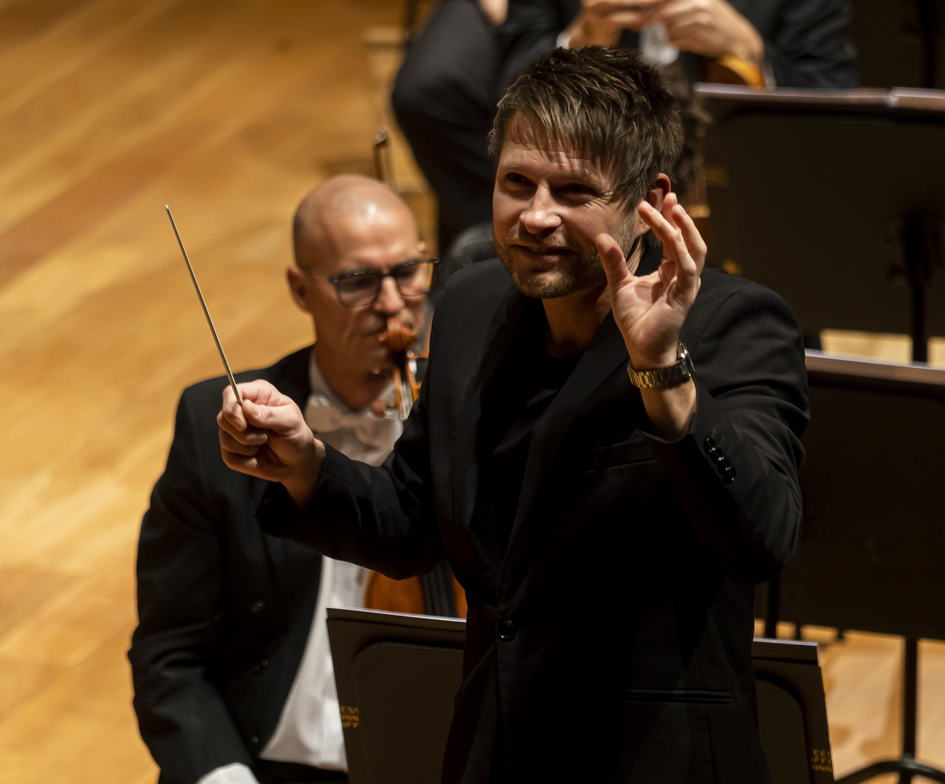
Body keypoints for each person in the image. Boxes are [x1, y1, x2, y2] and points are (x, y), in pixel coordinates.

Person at [218, 48, 808, 782]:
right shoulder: (470, 307)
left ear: (650, 201)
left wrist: (662, 369)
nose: (535, 216)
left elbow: (760, 539)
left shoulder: (733, 325)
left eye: (574, 190)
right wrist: (306, 463)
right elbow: (413, 519)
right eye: (517, 183)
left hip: (652, 759)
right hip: (495, 749)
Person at [129, 175, 437, 784]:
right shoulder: (220, 425)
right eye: (358, 281)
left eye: (408, 272)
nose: (391, 303)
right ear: (300, 289)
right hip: (261, 766)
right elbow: (170, 653)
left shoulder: (467, 419)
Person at [392, 0, 857, 255]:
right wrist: (577, 42)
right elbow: (509, 88)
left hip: (745, 216)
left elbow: (834, 114)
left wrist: (752, 54)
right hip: (587, 221)